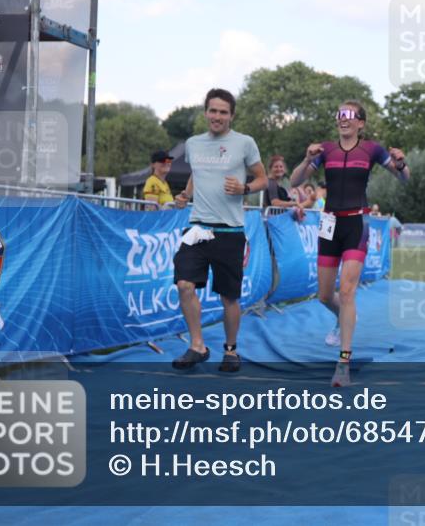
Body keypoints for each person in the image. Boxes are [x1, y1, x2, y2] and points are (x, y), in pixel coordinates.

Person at [290, 100, 410, 386]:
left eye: (349, 115)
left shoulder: (372, 149)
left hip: (357, 223)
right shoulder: (326, 150)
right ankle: (343, 319)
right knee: (323, 295)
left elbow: (404, 178)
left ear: (361, 123)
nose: (343, 119)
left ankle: (343, 363)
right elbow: (295, 180)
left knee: (346, 292)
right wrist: (307, 159)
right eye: (339, 114)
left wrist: (403, 163)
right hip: (329, 224)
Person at [171, 89, 267, 373]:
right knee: (184, 285)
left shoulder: (244, 143)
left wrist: (245, 188)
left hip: (230, 231)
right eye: (213, 110)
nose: (217, 116)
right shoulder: (193, 144)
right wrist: (185, 195)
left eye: (223, 112)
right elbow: (196, 174)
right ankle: (197, 345)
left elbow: (262, 178)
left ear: (231, 116)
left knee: (229, 297)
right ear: (205, 113)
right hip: (197, 228)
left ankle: (231, 349)